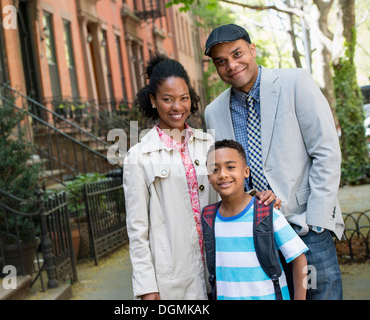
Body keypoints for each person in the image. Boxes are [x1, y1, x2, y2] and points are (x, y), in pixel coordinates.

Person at [203, 24, 344, 300]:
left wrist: (317, 221)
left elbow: (326, 151)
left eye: (237, 54)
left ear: (252, 49)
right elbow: (232, 172)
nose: (231, 65)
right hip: (256, 230)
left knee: (321, 294)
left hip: (306, 224)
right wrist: (255, 198)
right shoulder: (214, 112)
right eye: (221, 62)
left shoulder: (295, 82)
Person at [123, 54, 279, 300]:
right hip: (174, 280)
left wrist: (255, 197)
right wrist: (146, 289)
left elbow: (228, 192)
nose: (177, 107)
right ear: (153, 101)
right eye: (167, 99)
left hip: (222, 268)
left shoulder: (208, 143)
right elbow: (137, 231)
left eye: (184, 98)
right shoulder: (139, 156)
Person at [203, 139, 308, 300]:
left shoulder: (266, 213)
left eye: (230, 167)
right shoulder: (209, 218)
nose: (223, 174)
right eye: (215, 169)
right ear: (209, 177)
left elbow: (299, 259)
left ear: (246, 171)